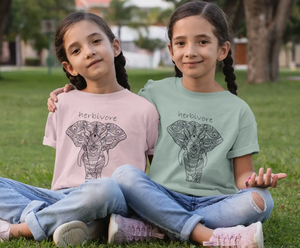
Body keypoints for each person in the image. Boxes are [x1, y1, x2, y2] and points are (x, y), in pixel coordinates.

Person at [47, 1, 287, 247]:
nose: (190, 51)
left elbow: (243, 176)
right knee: (125, 175)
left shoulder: (239, 111)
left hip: (214, 202)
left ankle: (154, 227)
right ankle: (208, 235)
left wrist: (254, 182)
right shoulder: (154, 92)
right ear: (171, 50)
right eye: (181, 43)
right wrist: (74, 93)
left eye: (202, 42)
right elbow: (117, 106)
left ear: (223, 50)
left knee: (261, 201)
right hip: (161, 196)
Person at [0, 12, 163, 247]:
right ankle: (81, 224)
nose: (88, 51)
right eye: (76, 50)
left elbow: (154, 177)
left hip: (113, 198)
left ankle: (22, 228)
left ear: (115, 46)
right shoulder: (62, 103)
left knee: (104, 188)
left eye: (96, 41)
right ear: (70, 67)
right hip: (61, 197)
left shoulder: (145, 110)